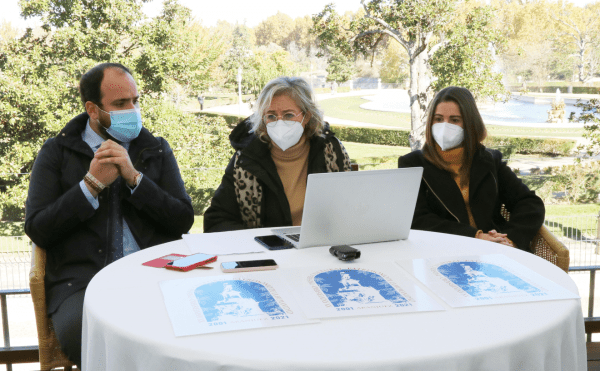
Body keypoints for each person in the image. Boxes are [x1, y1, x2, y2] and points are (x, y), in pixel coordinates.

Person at [25, 63, 194, 367]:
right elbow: (38, 229)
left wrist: (135, 179)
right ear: (92, 109)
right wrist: (90, 185)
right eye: (120, 104)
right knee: (97, 340)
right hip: (82, 284)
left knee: (191, 329)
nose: (132, 110)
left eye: (135, 100)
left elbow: (182, 219)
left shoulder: (155, 149)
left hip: (156, 276)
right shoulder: (56, 152)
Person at [398, 86, 544, 251]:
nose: (445, 126)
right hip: (442, 251)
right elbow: (418, 219)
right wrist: (476, 236)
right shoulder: (412, 164)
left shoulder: (489, 160)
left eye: (454, 120)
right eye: (438, 119)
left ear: (469, 123)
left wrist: (509, 240)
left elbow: (529, 203)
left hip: (495, 250)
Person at [204, 76, 352, 232]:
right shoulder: (246, 159)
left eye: (288, 115)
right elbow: (216, 221)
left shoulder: (330, 151)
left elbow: (352, 208)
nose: (279, 122)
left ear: (307, 116)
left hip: (320, 248)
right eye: (271, 116)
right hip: (267, 251)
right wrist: (259, 239)